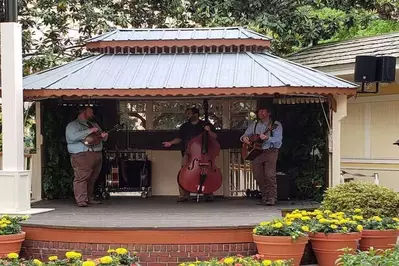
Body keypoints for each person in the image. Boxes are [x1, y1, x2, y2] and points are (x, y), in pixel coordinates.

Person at [162, 107, 217, 202]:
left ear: (196, 114)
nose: (187, 115)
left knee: (206, 173)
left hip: (205, 155)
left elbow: (215, 137)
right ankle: (184, 195)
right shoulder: (184, 127)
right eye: (186, 114)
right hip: (188, 154)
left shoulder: (206, 124)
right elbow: (179, 138)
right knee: (183, 173)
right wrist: (170, 143)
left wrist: (208, 131)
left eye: (189, 113)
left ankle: (208, 193)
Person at [65, 106, 108, 207]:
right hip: (82, 154)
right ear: (83, 112)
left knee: (92, 178)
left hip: (96, 153)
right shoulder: (72, 125)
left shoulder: (93, 124)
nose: (92, 112)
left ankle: (89, 197)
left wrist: (104, 136)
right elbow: (72, 137)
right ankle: (81, 200)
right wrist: (89, 131)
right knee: (82, 177)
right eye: (90, 111)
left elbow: (101, 138)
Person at [240, 105, 283, 206]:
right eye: (259, 111)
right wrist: (244, 138)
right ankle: (265, 196)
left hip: (271, 151)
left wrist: (268, 139)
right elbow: (244, 136)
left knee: (269, 175)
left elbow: (278, 140)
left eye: (263, 111)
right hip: (257, 152)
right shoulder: (254, 125)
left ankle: (272, 198)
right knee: (257, 175)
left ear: (269, 113)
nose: (261, 113)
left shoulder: (275, 125)